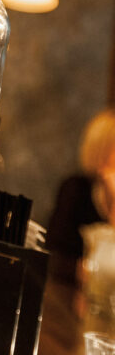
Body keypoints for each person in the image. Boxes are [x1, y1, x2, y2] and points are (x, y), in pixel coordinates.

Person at [47, 108, 115, 285]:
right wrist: (85, 271)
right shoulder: (76, 190)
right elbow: (54, 256)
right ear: (101, 151)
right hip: (68, 294)